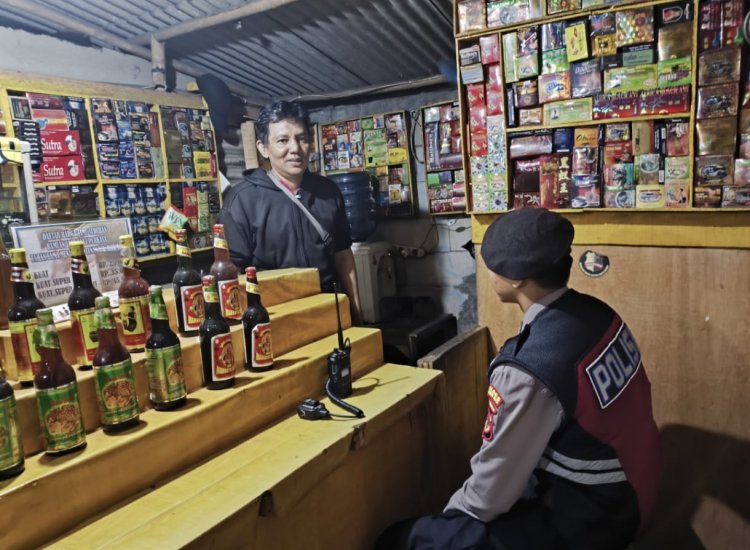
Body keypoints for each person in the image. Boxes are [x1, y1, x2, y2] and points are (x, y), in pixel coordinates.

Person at [376, 208, 662, 550]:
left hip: (597, 519)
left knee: (406, 539)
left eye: (491, 264)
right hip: (638, 482)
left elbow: (488, 498)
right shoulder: (599, 312)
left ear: (515, 279)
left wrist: (448, 523)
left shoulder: (530, 369)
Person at [218, 101, 362, 324]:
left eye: (301, 139)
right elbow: (232, 276)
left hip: (330, 313)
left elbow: (343, 256)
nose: (295, 148)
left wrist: (356, 312)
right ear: (263, 147)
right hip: (277, 320)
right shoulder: (241, 202)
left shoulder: (328, 192)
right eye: (283, 140)